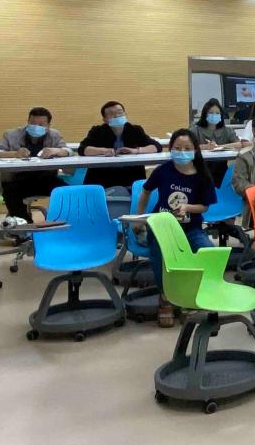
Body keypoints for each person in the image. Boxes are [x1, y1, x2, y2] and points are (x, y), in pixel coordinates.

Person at [138, 130, 216, 327]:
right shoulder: (163, 170)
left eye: (187, 148)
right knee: (159, 255)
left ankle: (190, 297)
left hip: (191, 228)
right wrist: (140, 218)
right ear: (170, 149)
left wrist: (188, 207)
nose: (182, 152)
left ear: (195, 150)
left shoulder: (203, 176)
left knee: (206, 250)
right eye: (177, 148)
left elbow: (204, 206)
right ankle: (165, 296)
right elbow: (145, 191)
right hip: (162, 228)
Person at [0, 107, 72, 221]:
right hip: (17, 180)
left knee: (68, 192)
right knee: (11, 193)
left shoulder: (54, 135)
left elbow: (68, 151)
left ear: (48, 126)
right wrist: (15, 154)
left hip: (45, 179)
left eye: (41, 124)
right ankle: (24, 226)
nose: (36, 127)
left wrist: (56, 150)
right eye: (33, 123)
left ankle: (63, 222)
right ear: (28, 121)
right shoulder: (11, 135)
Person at [78, 101, 161, 189]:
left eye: (119, 112)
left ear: (125, 114)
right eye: (111, 114)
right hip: (103, 176)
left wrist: (136, 151)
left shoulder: (135, 130)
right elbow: (82, 149)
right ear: (105, 120)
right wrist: (104, 151)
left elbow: (156, 146)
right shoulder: (97, 131)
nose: (116, 116)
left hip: (131, 175)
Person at [189, 98, 244, 185]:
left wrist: (219, 146)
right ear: (205, 114)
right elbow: (188, 147)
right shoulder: (195, 130)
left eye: (217, 113)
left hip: (221, 172)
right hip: (199, 171)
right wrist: (205, 147)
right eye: (211, 113)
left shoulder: (227, 130)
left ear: (221, 115)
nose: (214, 115)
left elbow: (239, 144)